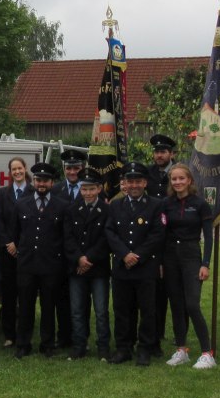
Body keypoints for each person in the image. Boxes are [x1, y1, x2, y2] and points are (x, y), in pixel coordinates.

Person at [104, 161, 162, 365]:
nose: (134, 185)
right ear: (125, 183)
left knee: (147, 310)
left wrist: (136, 255)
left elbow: (157, 235)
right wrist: (124, 254)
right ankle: (123, 348)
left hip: (145, 267)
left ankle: (144, 348)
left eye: (138, 181)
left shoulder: (156, 205)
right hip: (122, 267)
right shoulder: (115, 204)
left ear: (145, 182)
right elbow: (110, 232)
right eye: (130, 181)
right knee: (122, 309)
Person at [161, 163, 216, 369]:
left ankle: (207, 353)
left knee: (192, 305)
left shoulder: (200, 204)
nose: (177, 182)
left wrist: (205, 264)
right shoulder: (166, 204)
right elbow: (162, 233)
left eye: (181, 178)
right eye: (174, 179)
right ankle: (181, 350)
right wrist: (160, 262)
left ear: (189, 180)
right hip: (170, 257)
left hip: (191, 256)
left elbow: (209, 237)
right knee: (176, 305)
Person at [11, 162, 67, 359]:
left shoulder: (62, 206)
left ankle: (47, 344)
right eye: (38, 180)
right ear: (33, 181)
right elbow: (15, 234)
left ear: (52, 182)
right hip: (27, 265)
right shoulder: (21, 204)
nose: (41, 184)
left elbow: (64, 237)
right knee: (25, 306)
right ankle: (23, 344)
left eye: (45, 180)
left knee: (48, 306)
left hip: (51, 265)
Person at [64, 166, 111, 361]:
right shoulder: (72, 209)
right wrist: (79, 258)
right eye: (84, 189)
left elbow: (106, 238)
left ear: (99, 189)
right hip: (77, 268)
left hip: (98, 268)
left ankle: (103, 347)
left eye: (92, 189)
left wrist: (88, 258)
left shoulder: (107, 209)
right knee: (76, 310)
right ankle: (79, 346)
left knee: (101, 310)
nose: (88, 193)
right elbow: (68, 238)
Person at [51, 148, 86, 348]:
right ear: (64, 169)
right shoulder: (56, 190)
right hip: (60, 256)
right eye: (69, 168)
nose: (73, 172)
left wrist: (81, 256)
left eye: (76, 168)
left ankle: (82, 337)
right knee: (61, 299)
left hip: (83, 256)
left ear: (83, 168)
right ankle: (63, 336)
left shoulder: (91, 188)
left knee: (82, 300)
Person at [0, 156, 29, 347]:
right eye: (13, 169)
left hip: (26, 253)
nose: (17, 172)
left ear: (25, 169)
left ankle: (23, 334)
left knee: (25, 294)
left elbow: (33, 223)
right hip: (7, 253)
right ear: (10, 172)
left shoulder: (32, 191)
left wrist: (20, 245)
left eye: (19, 168)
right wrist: (8, 243)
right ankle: (9, 335)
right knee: (8, 294)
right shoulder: (3, 193)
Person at [148, 133, 176, 355]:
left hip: (174, 238)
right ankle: (155, 336)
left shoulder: (179, 175)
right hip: (151, 239)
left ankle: (179, 334)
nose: (159, 155)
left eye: (163, 152)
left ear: (171, 154)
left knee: (175, 290)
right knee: (155, 292)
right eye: (157, 152)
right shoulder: (147, 174)